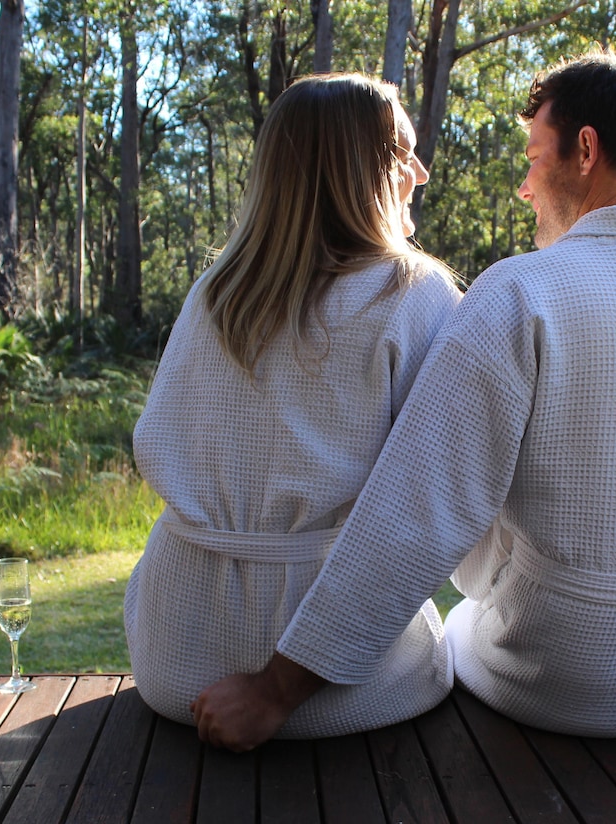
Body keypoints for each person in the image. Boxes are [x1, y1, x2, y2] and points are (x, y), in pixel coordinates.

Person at [191, 50, 616, 751]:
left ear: (586, 151)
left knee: (456, 631)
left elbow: (421, 512)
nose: (524, 188)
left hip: (565, 677)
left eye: (532, 157)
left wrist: (277, 690)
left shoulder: (522, 292)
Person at [124, 73, 462, 737]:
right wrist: (279, 688)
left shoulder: (215, 294)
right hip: (344, 685)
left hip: (176, 655)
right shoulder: (412, 294)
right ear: (354, 174)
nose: (420, 174)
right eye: (403, 154)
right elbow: (421, 517)